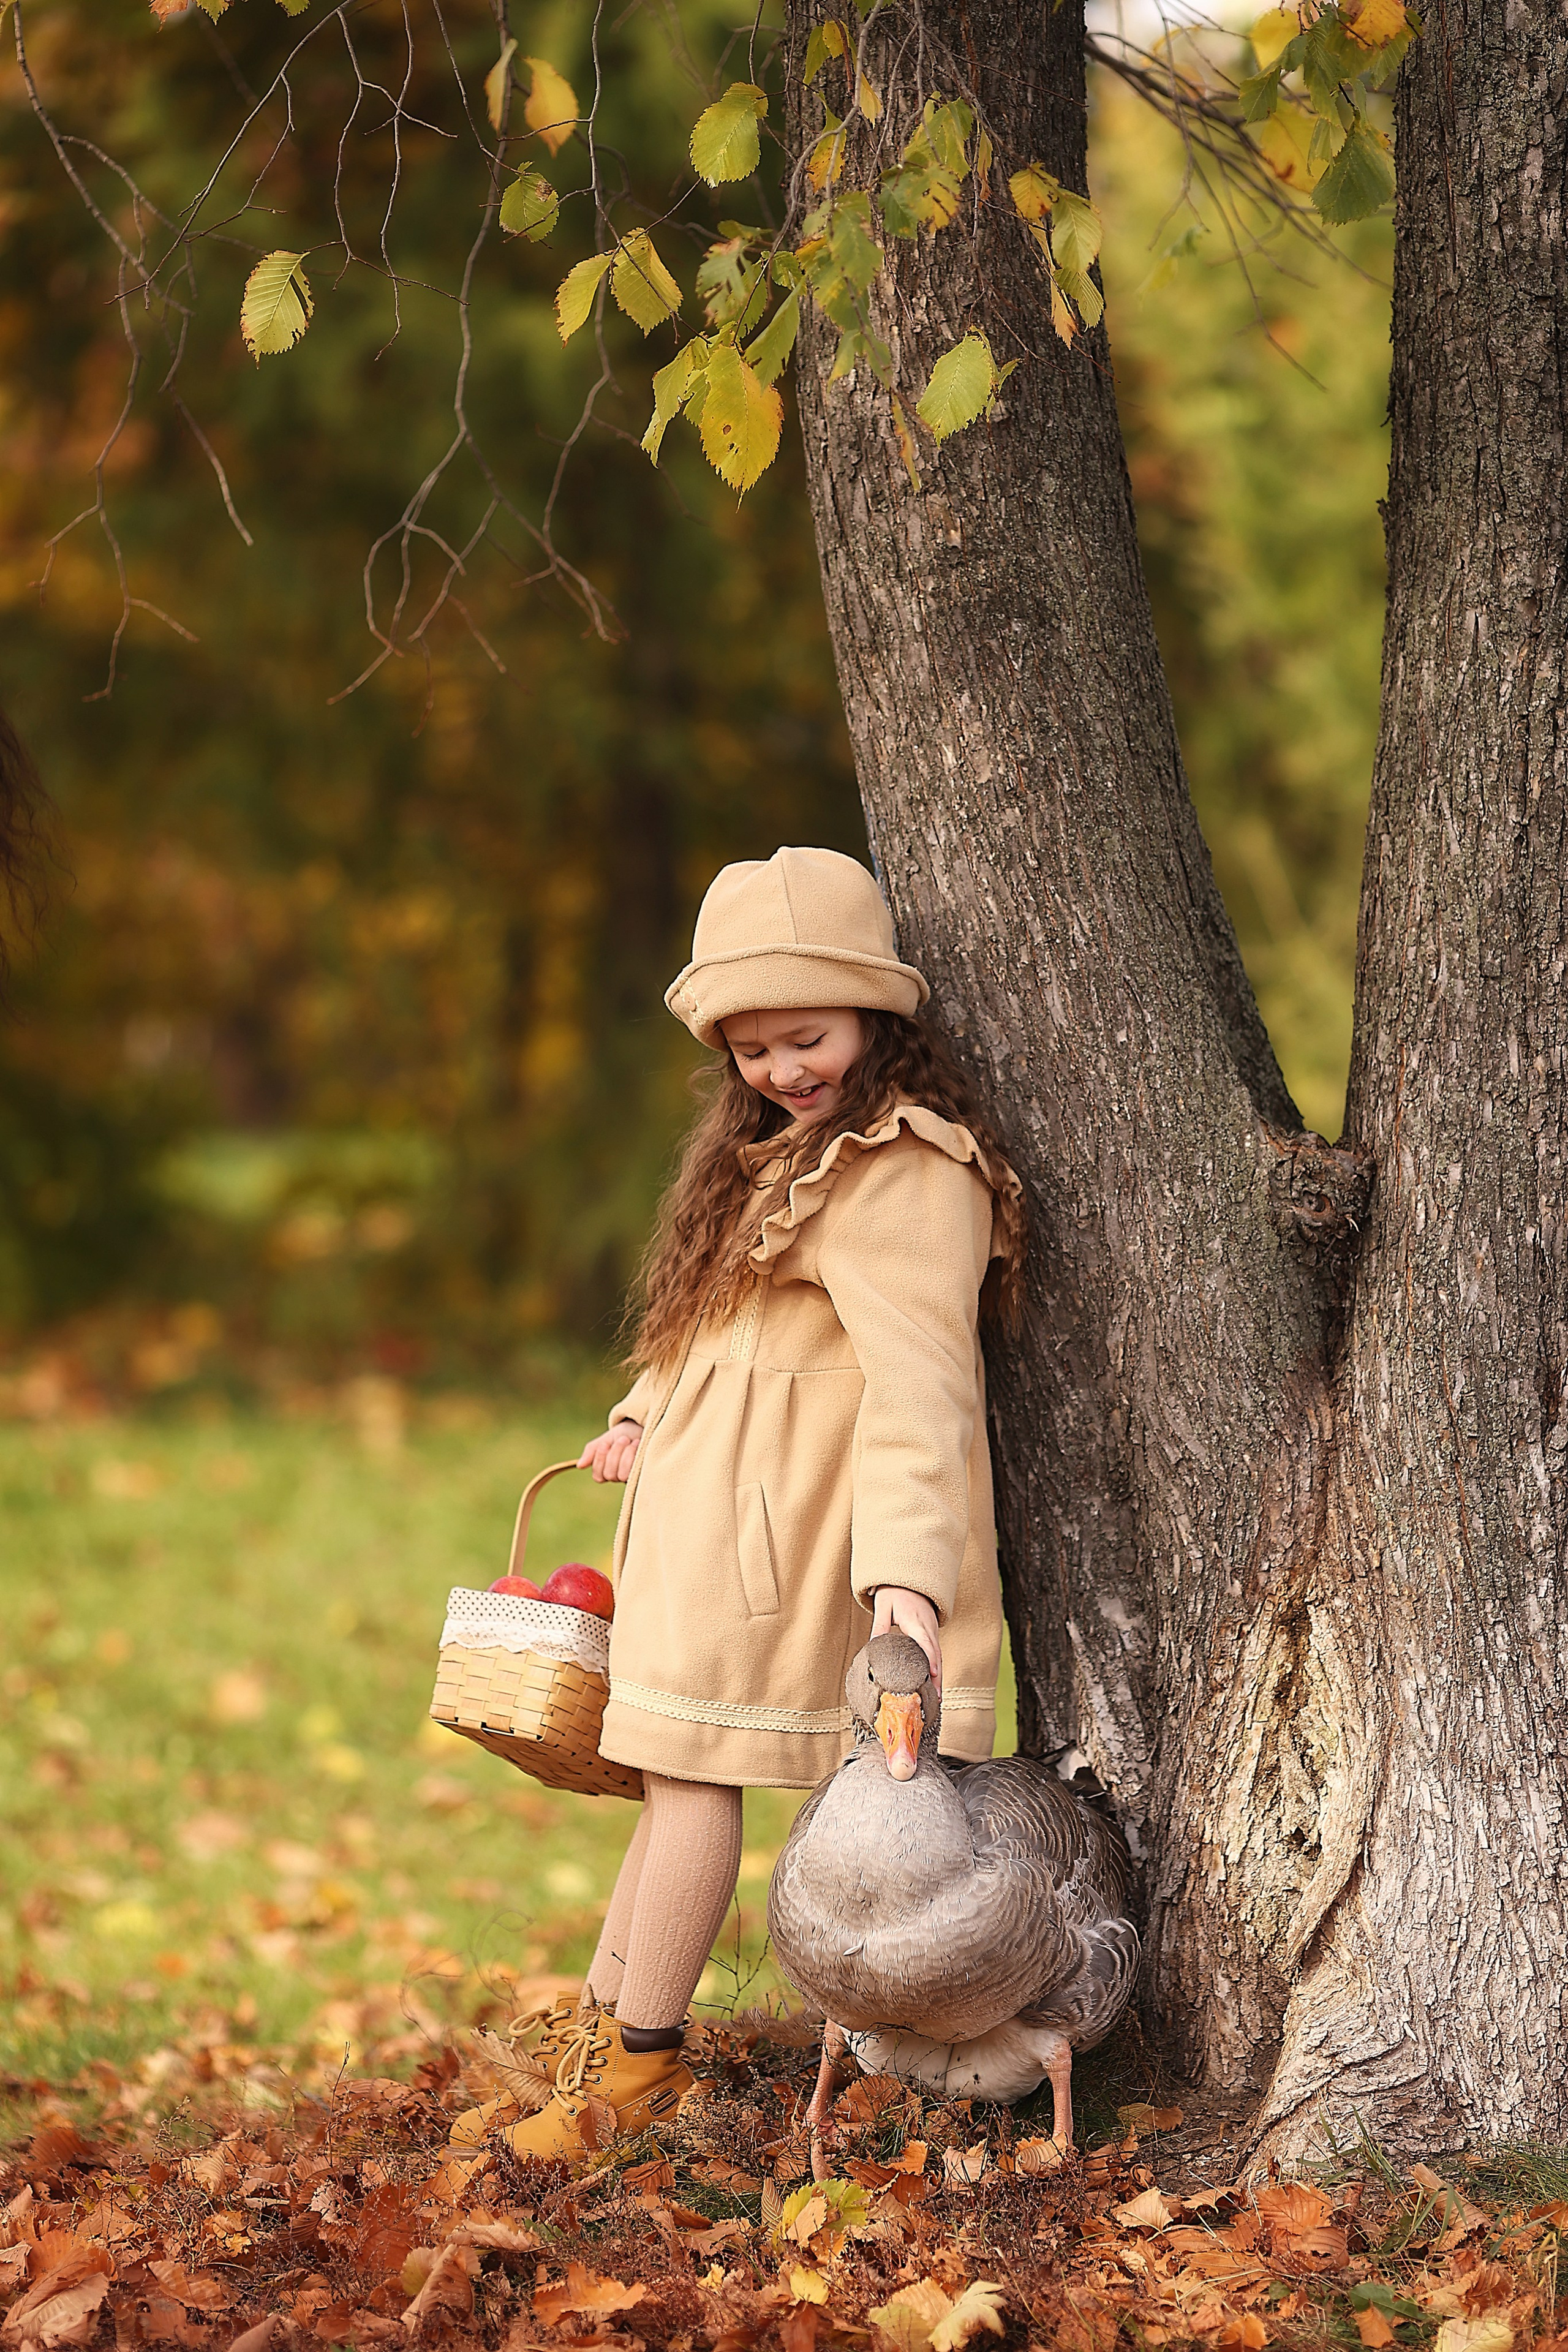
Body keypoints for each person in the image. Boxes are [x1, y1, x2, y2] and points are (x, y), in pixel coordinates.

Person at [452, 846, 1024, 2160]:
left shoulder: (903, 1170)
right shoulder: (774, 1153)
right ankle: (601, 2035)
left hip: (788, 1547)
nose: (780, 1069)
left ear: (874, 1017)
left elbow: (924, 1391)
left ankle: (636, 2071)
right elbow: (710, 1329)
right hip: (697, 1533)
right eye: (753, 1049)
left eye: (807, 1037)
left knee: (697, 1779)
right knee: (669, 1776)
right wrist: (641, 1412)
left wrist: (907, 1578)